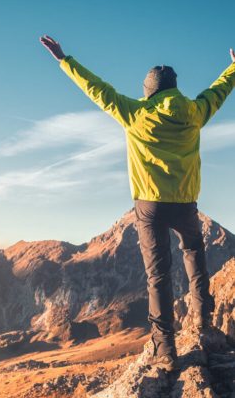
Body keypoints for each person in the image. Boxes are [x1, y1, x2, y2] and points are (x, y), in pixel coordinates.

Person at [39, 35, 235, 372]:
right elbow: (219, 90)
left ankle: (165, 350)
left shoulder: (136, 113)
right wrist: (234, 67)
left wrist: (64, 59)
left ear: (149, 91)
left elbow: (98, 90)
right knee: (195, 260)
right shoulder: (194, 112)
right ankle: (201, 321)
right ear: (173, 89)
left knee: (158, 276)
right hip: (186, 202)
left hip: (150, 206)